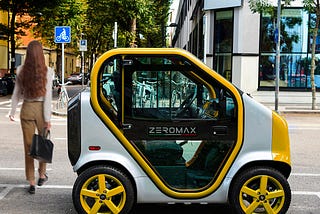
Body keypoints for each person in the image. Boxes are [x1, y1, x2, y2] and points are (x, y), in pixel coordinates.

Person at [9, 40, 53, 194]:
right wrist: (48, 119)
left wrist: (12, 112)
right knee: (42, 144)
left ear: (27, 53)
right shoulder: (48, 71)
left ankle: (32, 181)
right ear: (41, 54)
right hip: (41, 109)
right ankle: (42, 175)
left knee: (28, 147)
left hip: (27, 108)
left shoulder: (20, 70)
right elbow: (48, 98)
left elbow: (16, 93)